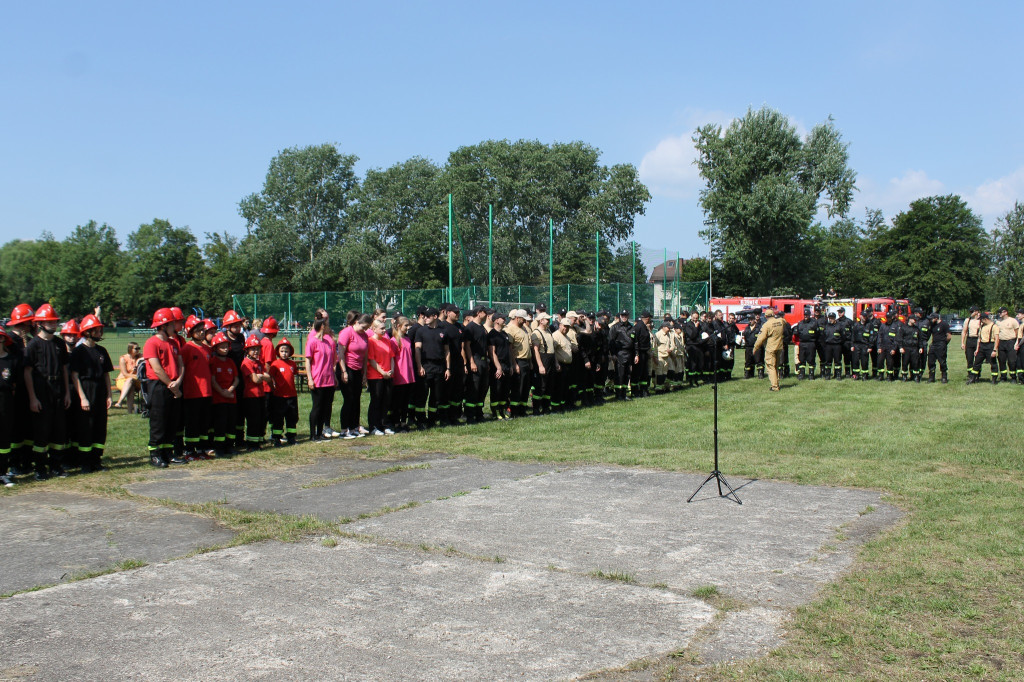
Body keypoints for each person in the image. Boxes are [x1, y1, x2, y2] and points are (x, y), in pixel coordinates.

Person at [23, 304, 71, 479]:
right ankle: (40, 468)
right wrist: (32, 398)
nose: (54, 324)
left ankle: (56, 465)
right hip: (41, 390)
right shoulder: (33, 345)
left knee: (59, 429)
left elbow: (65, 369)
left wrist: (66, 393)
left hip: (58, 389)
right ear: (41, 323)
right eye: (50, 322)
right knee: (41, 431)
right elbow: (27, 372)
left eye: (55, 321)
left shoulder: (59, 343)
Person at [68, 314, 113, 473]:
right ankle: (85, 462)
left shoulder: (102, 351)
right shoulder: (79, 352)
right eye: (97, 330)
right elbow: (75, 375)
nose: (100, 333)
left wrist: (109, 395)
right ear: (88, 331)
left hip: (100, 389)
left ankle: (96, 460)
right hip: (86, 389)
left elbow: (106, 374)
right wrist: (83, 397)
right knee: (86, 427)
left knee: (100, 427)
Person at [143, 308, 183, 467]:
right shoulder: (152, 343)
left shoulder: (173, 343)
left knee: (171, 421)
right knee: (158, 421)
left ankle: (168, 452)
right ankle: (155, 454)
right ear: (164, 325)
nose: (175, 326)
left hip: (174, 385)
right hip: (159, 386)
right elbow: (157, 368)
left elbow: (181, 364)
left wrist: (178, 382)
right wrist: (171, 385)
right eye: (172, 323)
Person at [181, 316, 215, 460]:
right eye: (198, 330)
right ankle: (189, 450)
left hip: (206, 391)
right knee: (192, 422)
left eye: (203, 330)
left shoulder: (207, 349)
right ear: (190, 332)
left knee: (204, 422)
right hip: (192, 392)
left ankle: (201, 449)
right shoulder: (187, 348)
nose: (202, 333)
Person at [305, 309, 338, 441]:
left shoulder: (327, 342)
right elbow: (308, 361)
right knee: (317, 407)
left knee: (325, 406)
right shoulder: (312, 341)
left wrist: (334, 377)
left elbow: (331, 362)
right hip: (318, 379)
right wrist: (310, 378)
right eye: (326, 325)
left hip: (328, 379)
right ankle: (313, 434)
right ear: (321, 327)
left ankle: (320, 433)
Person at [414, 307, 449, 427]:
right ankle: (420, 420)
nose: (425, 318)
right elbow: (417, 350)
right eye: (424, 316)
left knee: (436, 396)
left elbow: (447, 351)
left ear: (435, 316)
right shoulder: (421, 331)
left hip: (439, 367)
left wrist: (448, 368)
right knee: (422, 395)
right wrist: (420, 366)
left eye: (428, 316)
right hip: (426, 366)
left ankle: (432, 420)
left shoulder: (443, 331)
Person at [337, 312, 371, 438]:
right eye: (363, 327)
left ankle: (353, 428)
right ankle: (344, 429)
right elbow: (340, 353)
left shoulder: (365, 335)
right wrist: (344, 371)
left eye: (367, 328)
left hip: (358, 370)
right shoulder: (347, 332)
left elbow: (365, 354)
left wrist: (364, 373)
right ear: (357, 322)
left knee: (356, 400)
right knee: (349, 399)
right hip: (347, 368)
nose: (365, 330)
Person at [209, 332, 239, 456]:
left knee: (231, 423)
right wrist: (222, 392)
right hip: (219, 399)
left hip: (231, 398)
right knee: (220, 424)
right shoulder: (213, 361)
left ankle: (230, 446)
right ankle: (219, 448)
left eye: (226, 346)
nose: (225, 349)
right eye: (222, 347)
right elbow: (213, 380)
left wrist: (230, 390)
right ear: (216, 348)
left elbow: (236, 379)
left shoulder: (231, 362)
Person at [366, 319, 396, 435]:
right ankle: (374, 426)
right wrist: (382, 372)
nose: (384, 330)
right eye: (381, 328)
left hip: (388, 375)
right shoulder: (371, 342)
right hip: (376, 376)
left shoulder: (387, 341)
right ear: (374, 329)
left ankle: (384, 425)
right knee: (376, 401)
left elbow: (391, 357)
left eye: (384, 328)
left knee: (386, 401)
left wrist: (391, 370)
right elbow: (371, 360)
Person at [240, 335, 270, 448]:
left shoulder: (258, 363)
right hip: (251, 396)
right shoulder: (246, 363)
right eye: (253, 349)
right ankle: (252, 443)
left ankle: (259, 440)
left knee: (261, 418)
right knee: (253, 420)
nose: (256, 351)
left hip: (260, 394)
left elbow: (268, 377)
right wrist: (261, 376)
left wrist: (260, 376)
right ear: (247, 350)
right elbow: (256, 379)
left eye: (258, 349)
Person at [0, 326, 21, 487]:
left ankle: (3, 472)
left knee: (5, 438)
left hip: (6, 401)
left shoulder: (11, 360)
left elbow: (14, 384)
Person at [269, 337, 299, 446]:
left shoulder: (292, 364)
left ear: (290, 352)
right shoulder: (275, 364)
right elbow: (270, 377)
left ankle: (291, 437)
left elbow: (294, 375)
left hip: (291, 395)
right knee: (278, 418)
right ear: (278, 352)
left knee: (292, 417)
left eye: (286, 351)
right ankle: (277, 438)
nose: (284, 353)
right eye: (282, 351)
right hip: (279, 396)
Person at [462, 306, 490, 423]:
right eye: (485, 313)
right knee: (473, 389)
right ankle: (469, 415)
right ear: (479, 313)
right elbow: (466, 346)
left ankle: (479, 413)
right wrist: (471, 362)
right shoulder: (470, 327)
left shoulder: (482, 328)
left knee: (482, 389)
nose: (487, 315)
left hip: (483, 361)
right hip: (476, 360)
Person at [388, 316, 415, 432]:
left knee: (405, 401)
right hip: (400, 375)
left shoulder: (408, 339)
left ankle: (404, 422)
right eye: (406, 326)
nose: (408, 328)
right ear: (398, 326)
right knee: (397, 401)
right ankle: (396, 423)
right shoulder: (394, 341)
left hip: (409, 374)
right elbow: (392, 358)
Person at [505, 309, 532, 417]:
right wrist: (514, 364)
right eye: (523, 319)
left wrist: (530, 362)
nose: (525, 321)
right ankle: (514, 411)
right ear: (517, 318)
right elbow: (510, 348)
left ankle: (522, 410)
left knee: (526, 387)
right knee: (518, 387)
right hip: (518, 361)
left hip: (526, 361)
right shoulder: (511, 329)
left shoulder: (524, 329)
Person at [753, 308, 785, 391]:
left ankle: (774, 386)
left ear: (766, 316)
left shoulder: (766, 325)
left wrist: (755, 347)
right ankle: (777, 383)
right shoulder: (780, 321)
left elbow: (760, 338)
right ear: (773, 315)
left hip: (771, 348)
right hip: (779, 347)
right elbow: (784, 321)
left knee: (770, 367)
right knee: (776, 366)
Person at [487, 314, 512, 419]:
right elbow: (492, 353)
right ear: (496, 320)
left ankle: (502, 410)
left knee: (505, 390)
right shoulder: (492, 334)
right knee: (496, 389)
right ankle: (495, 412)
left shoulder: (505, 334)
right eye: (503, 318)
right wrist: (498, 367)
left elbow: (509, 351)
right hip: (497, 366)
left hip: (506, 365)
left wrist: (510, 365)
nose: (505, 319)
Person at [608, 310, 635, 400]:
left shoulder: (631, 327)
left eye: (625, 315)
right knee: (620, 375)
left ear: (628, 315)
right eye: (622, 315)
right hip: (619, 353)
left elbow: (635, 342)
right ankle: (618, 394)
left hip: (629, 354)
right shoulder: (615, 327)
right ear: (620, 316)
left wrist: (636, 354)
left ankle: (624, 394)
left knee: (627, 374)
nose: (624, 317)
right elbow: (611, 342)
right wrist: (613, 354)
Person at [969, 312, 999, 384]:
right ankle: (973, 378)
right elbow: (979, 338)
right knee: (976, 363)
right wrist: (977, 349)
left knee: (993, 363)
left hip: (990, 345)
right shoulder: (982, 326)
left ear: (985, 319)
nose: (980, 321)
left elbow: (997, 339)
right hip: (982, 346)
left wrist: (994, 350)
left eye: (981, 320)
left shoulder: (994, 326)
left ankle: (994, 379)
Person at [113, 342, 142, 411]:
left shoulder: (140, 357)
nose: (138, 350)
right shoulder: (123, 358)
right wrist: (135, 375)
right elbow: (125, 374)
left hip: (137, 380)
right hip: (123, 380)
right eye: (136, 348)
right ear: (130, 349)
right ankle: (129, 410)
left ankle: (120, 401)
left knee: (130, 380)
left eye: (139, 348)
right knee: (130, 384)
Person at [995, 307, 1019, 383]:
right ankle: (1003, 377)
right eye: (999, 312)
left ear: (1006, 312)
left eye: (1001, 312)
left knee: (1012, 361)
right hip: (1001, 342)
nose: (999, 314)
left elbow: (1017, 332)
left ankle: (1013, 377)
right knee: (1001, 360)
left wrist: (1016, 342)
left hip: (1010, 341)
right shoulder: (998, 322)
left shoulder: (1012, 321)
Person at [926, 312, 951, 383]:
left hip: (941, 344)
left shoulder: (944, 324)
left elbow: (949, 336)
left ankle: (944, 377)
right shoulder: (932, 325)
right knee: (931, 361)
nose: (930, 320)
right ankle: (931, 377)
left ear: (936, 318)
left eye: (932, 319)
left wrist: (944, 343)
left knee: (942, 361)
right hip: (934, 344)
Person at [897, 315, 922, 382]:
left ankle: (915, 376)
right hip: (906, 348)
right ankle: (904, 376)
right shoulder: (903, 328)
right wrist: (901, 347)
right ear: (910, 319)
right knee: (905, 363)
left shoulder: (917, 329)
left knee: (915, 363)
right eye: (914, 319)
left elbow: (920, 339)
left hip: (914, 348)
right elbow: (899, 338)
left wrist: (920, 347)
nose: (915, 321)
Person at [795, 308, 818, 380]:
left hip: (811, 343)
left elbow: (818, 333)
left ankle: (811, 374)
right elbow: (797, 333)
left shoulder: (814, 323)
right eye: (804, 315)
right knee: (801, 359)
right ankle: (802, 374)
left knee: (811, 359)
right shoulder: (800, 323)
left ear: (809, 315)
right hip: (802, 343)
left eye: (807, 315)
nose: (805, 316)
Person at [961, 306, 981, 377]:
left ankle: (977, 374)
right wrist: (962, 342)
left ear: (976, 312)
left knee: (978, 358)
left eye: (972, 312)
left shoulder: (981, 320)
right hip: (969, 340)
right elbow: (964, 331)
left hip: (978, 340)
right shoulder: (968, 320)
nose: (971, 313)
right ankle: (970, 374)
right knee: (969, 358)